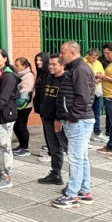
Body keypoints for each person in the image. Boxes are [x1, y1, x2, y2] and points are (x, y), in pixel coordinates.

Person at [51, 41, 95, 209]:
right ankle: (84, 190)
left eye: (63, 52)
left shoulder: (80, 70)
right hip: (80, 119)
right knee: (81, 156)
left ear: (73, 52)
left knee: (76, 158)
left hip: (79, 120)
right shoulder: (76, 69)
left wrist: (72, 117)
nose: (61, 55)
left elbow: (83, 98)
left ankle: (72, 194)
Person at [0, 48, 19, 190]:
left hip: (4, 115)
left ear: (5, 58)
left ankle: (7, 177)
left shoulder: (8, 76)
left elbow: (3, 98)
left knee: (5, 146)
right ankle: (2, 171)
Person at [36, 55, 67, 184]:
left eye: (54, 64)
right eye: (49, 64)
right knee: (54, 149)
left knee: (69, 149)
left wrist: (59, 118)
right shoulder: (48, 78)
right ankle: (55, 173)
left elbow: (66, 102)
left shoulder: (66, 80)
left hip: (60, 121)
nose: (50, 67)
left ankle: (78, 180)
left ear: (62, 66)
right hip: (47, 118)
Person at [12, 57, 35, 157]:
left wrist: (15, 90)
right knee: (17, 125)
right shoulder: (19, 74)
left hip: (25, 105)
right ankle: (21, 145)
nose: (16, 68)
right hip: (18, 104)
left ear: (24, 66)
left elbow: (26, 90)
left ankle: (25, 148)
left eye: (18, 66)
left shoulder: (28, 75)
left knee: (21, 126)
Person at [84, 48, 107, 142]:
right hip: (87, 91)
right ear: (88, 55)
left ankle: (96, 132)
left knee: (96, 113)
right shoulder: (83, 62)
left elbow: (103, 73)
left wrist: (99, 78)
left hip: (96, 91)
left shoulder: (98, 63)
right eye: (93, 57)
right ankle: (86, 135)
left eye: (97, 57)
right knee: (86, 113)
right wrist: (93, 78)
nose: (95, 59)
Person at [32, 52, 51, 161]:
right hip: (42, 106)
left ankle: (51, 152)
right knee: (46, 129)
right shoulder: (41, 73)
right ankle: (50, 149)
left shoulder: (47, 73)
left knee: (49, 130)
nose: (38, 62)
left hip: (46, 107)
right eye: (36, 60)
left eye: (40, 60)